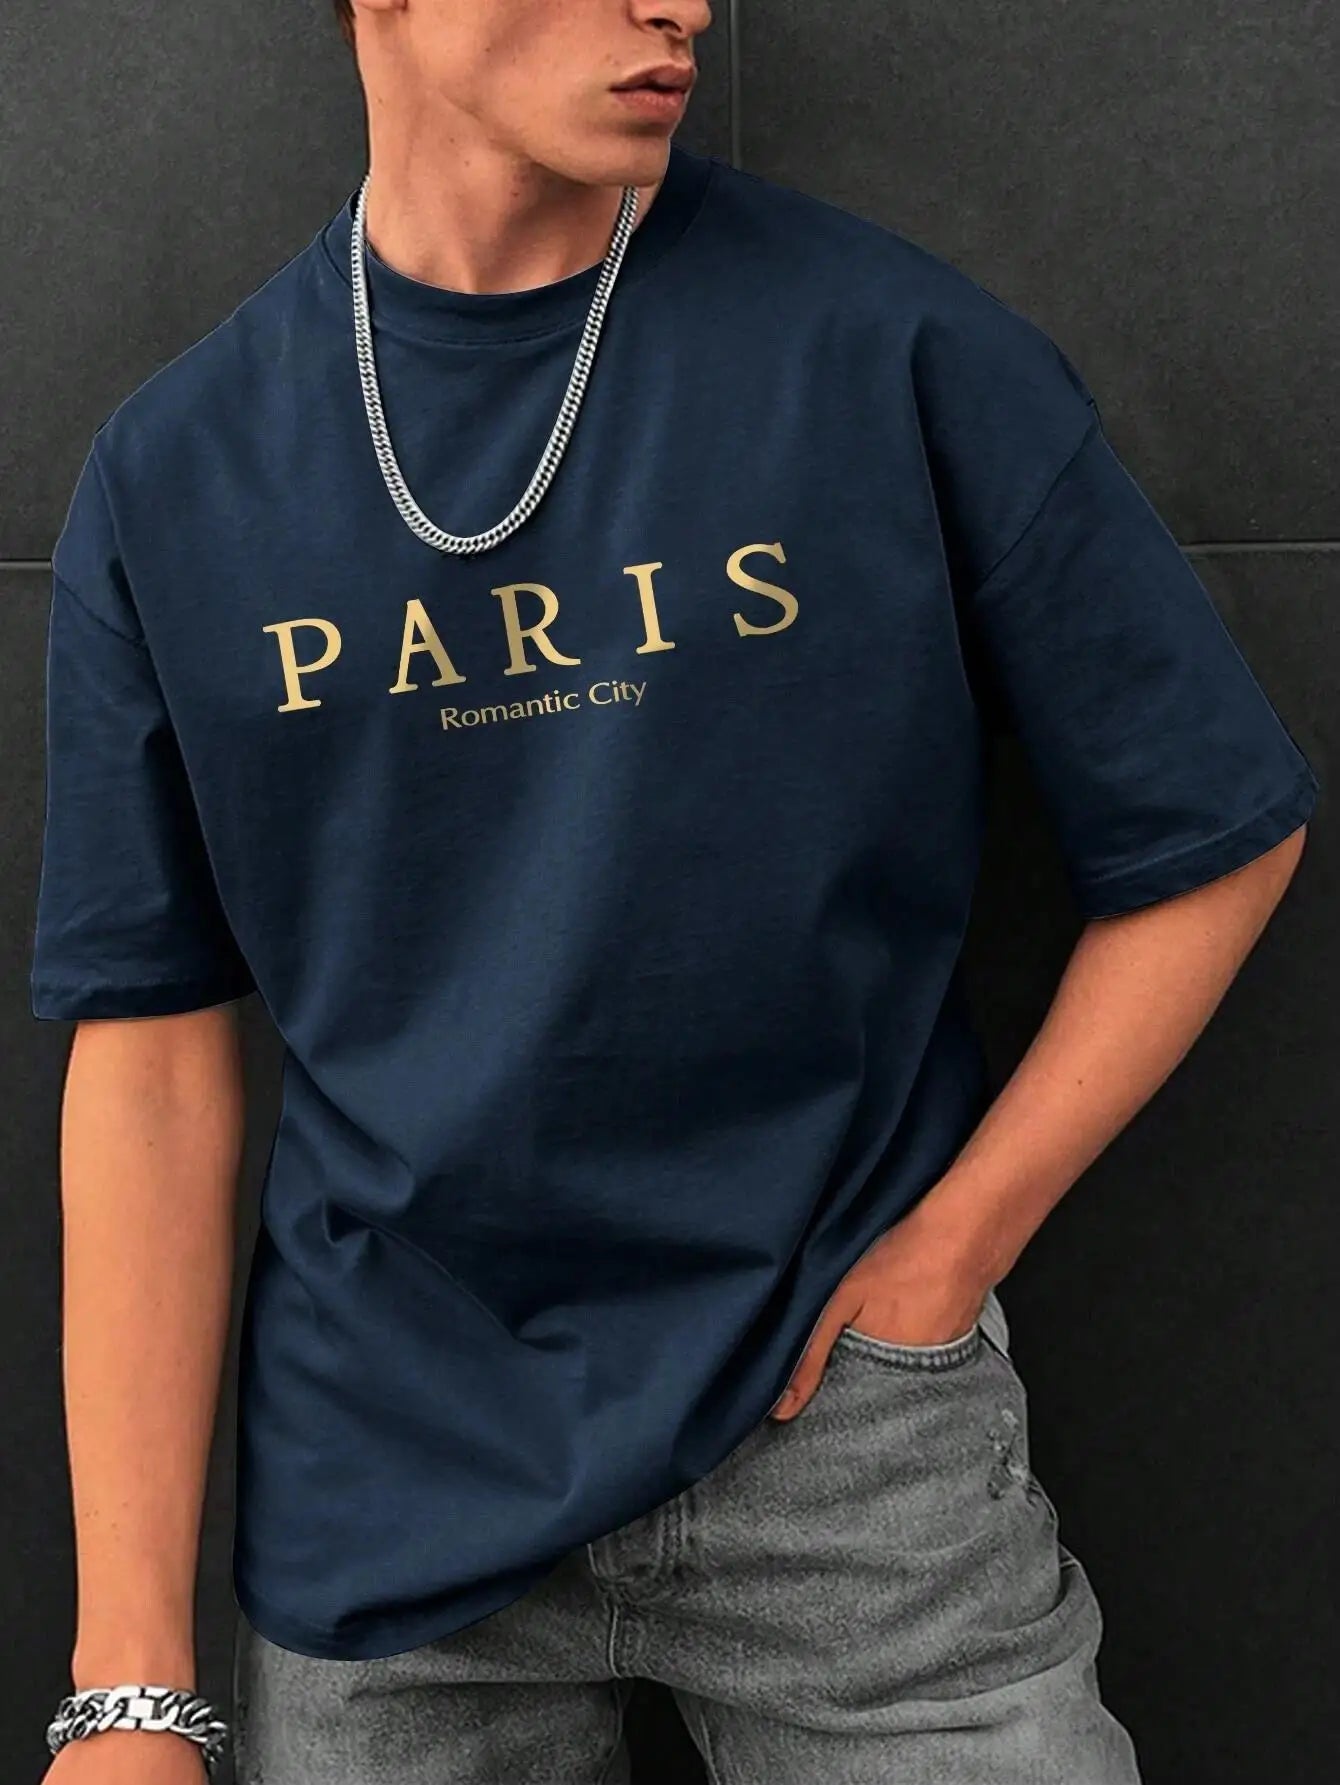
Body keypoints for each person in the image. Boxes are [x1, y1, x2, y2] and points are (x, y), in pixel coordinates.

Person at [32, 1, 1319, 1781]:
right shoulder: (178, 470)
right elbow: (152, 1066)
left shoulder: (886, 344)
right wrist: (126, 1687)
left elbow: (1213, 820)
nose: (683, 6)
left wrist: (954, 1245)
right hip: (391, 1489)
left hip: (848, 1438)